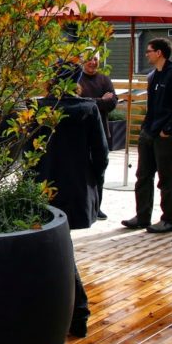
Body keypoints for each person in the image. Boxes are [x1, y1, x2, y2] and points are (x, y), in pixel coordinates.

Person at [35, 82, 110, 338]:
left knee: (56, 248)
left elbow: (27, 149)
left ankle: (78, 312)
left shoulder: (39, 108)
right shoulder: (87, 109)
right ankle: (77, 313)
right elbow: (101, 152)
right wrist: (95, 183)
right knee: (59, 248)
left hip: (43, 187)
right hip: (76, 187)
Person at [122, 37, 172, 234]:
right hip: (149, 132)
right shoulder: (153, 76)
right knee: (143, 175)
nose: (146, 54)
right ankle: (142, 217)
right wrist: (146, 128)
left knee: (166, 177)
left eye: (149, 51)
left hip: (166, 136)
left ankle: (169, 220)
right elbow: (152, 106)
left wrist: (167, 130)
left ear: (159, 53)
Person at [76, 51, 117, 219]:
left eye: (95, 59)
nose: (92, 62)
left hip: (101, 132)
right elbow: (79, 105)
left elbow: (113, 102)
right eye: (88, 59)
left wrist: (94, 102)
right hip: (81, 135)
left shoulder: (104, 79)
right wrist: (101, 101)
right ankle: (82, 206)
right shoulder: (76, 79)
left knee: (99, 171)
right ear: (81, 61)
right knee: (80, 171)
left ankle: (97, 207)